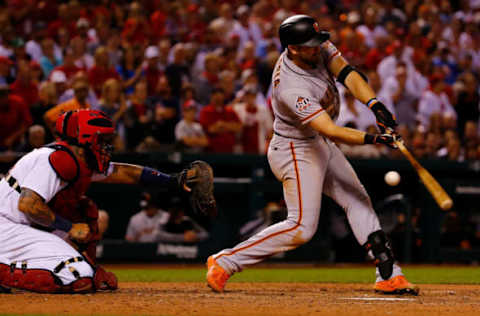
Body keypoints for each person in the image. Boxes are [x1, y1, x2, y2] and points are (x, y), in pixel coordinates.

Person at [206, 15, 419, 296]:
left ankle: (388, 273)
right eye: (309, 44)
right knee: (302, 227)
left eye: (318, 41)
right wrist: (376, 139)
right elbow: (331, 130)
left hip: (317, 142)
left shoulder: (315, 48)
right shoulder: (291, 86)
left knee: (358, 199)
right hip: (295, 149)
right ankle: (226, 261)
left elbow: (347, 73)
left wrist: (375, 105)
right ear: (292, 48)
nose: (318, 47)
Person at [0, 109, 209, 293]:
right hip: (7, 226)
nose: (107, 146)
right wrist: (68, 227)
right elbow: (28, 205)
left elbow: (124, 172)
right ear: (86, 139)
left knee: (85, 209)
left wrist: (173, 181)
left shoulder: (80, 158)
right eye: (102, 140)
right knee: (76, 276)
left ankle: (86, 266)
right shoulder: (54, 158)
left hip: (22, 228)